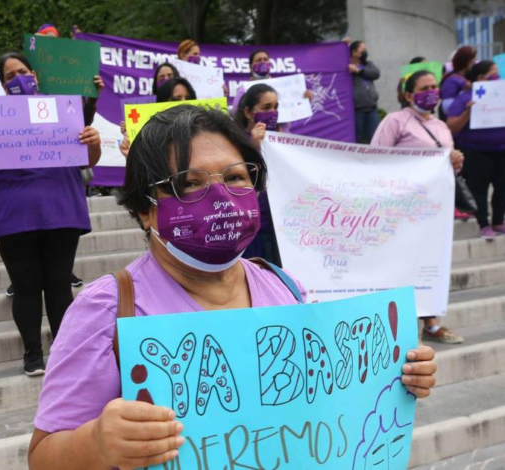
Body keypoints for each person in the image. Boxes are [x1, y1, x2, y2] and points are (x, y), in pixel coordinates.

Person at [27, 105, 439, 469]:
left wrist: (397, 376)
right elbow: (44, 458)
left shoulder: (286, 288)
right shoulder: (105, 310)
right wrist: (98, 443)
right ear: (144, 209)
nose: (221, 195)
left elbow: (331, 404)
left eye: (236, 177)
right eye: (189, 182)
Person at [0, 52, 102, 376]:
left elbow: (88, 160)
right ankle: (32, 354)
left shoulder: (64, 109)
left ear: (35, 74)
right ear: (2, 84)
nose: (18, 78)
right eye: (10, 76)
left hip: (60, 211)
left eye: (22, 71)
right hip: (12, 214)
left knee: (59, 285)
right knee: (25, 285)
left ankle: (64, 354)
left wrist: (92, 141)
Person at [371, 70, 465, 344]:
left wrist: (456, 162)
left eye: (435, 86)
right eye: (425, 87)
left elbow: (445, 173)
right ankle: (396, 327)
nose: (432, 91)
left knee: (428, 266)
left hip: (432, 213)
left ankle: (431, 324)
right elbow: (375, 158)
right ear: (409, 94)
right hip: (399, 211)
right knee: (400, 267)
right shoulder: (395, 121)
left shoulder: (441, 127)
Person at [446, 61, 505, 240]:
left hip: (502, 150)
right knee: (478, 189)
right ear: (481, 78)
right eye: (493, 73)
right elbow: (452, 126)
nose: (498, 77)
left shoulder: (501, 94)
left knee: (502, 187)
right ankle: (483, 224)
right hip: (476, 151)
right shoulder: (464, 98)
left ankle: (498, 221)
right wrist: (468, 112)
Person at [233, 84, 283, 266]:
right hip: (253, 223)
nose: (273, 112)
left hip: (278, 221)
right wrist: (254, 146)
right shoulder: (236, 141)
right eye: (266, 107)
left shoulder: (281, 138)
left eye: (276, 107)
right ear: (248, 112)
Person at [248, 49, 312, 101]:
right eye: (259, 60)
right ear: (251, 67)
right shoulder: (244, 89)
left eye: (265, 59)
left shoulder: (283, 87)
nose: (263, 62)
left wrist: (305, 100)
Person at [349, 40, 381, 144]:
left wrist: (360, 71)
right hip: (356, 110)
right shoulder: (347, 66)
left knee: (375, 138)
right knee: (358, 140)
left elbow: (376, 74)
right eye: (362, 50)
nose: (365, 52)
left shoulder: (368, 64)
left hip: (371, 108)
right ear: (354, 52)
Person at [440, 46, 476, 117]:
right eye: (472, 59)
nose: (474, 61)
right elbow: (447, 105)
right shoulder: (452, 79)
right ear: (467, 61)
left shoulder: (461, 76)